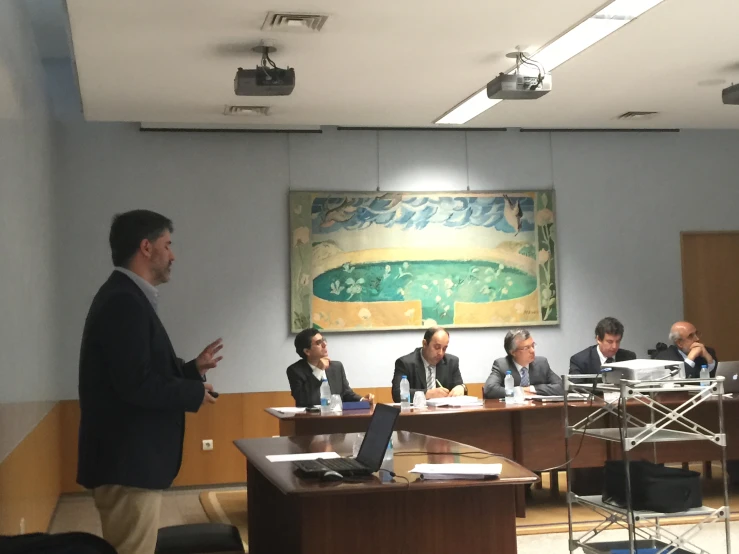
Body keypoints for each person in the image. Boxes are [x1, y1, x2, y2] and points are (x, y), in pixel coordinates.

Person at [77, 210, 223, 554]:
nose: (172, 255)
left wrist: (191, 371)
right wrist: (191, 392)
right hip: (127, 463)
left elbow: (137, 373)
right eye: (167, 245)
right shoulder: (124, 302)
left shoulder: (126, 297)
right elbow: (135, 384)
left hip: (128, 462)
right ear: (146, 247)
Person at [287, 328, 374, 407]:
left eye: (323, 340)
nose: (324, 344)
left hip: (337, 418)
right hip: (310, 420)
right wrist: (318, 370)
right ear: (307, 351)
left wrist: (362, 400)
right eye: (318, 343)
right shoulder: (295, 371)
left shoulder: (336, 367)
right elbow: (303, 400)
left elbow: (346, 393)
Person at [391, 327, 466, 402]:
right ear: (425, 344)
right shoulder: (405, 363)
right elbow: (397, 394)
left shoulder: (451, 362)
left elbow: (460, 387)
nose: (441, 353)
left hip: (443, 412)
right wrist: (428, 394)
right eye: (437, 347)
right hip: (416, 412)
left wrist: (461, 388)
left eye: (444, 348)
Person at [484, 329, 563, 399]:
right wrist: (519, 391)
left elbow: (561, 387)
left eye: (533, 345)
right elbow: (490, 389)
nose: (532, 351)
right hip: (511, 411)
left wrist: (531, 389)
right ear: (513, 352)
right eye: (526, 348)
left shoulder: (542, 364)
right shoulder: (502, 365)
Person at [570, 317, 637, 374]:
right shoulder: (580, 361)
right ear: (598, 339)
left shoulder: (629, 358)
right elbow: (575, 389)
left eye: (617, 341)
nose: (614, 346)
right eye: (609, 342)